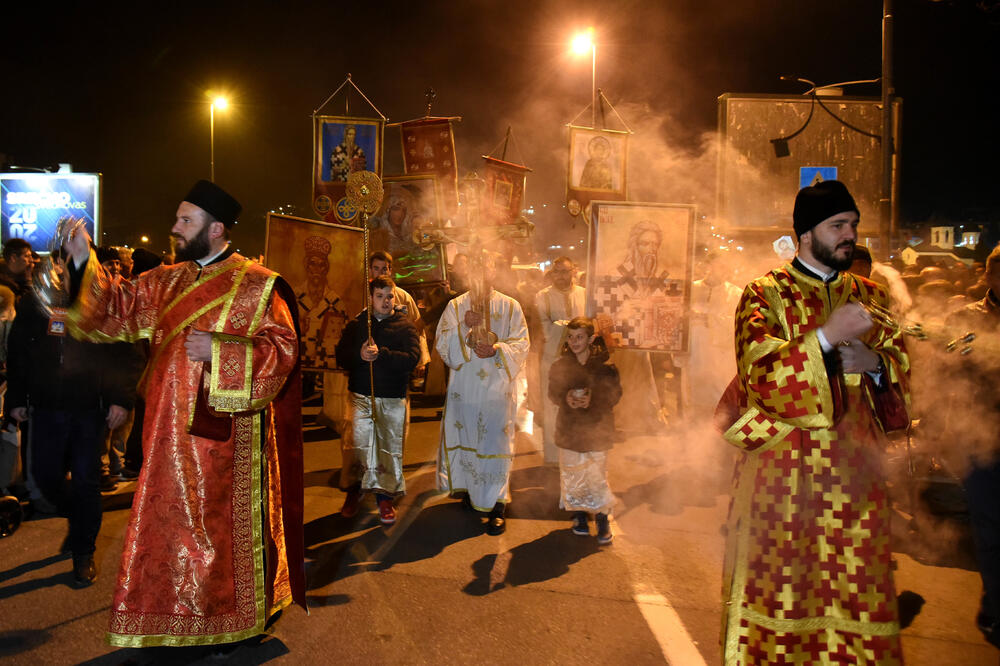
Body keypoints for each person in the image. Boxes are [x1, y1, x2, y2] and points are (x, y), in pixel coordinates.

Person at [62, 180, 305, 647]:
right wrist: (81, 258)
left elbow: (283, 349)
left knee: (218, 530)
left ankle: (231, 623)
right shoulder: (167, 279)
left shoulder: (258, 283)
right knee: (169, 529)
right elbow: (116, 309)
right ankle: (172, 619)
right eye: (177, 219)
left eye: (184, 221)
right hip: (165, 433)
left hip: (226, 438)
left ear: (216, 229)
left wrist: (220, 349)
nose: (174, 228)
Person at [718, 180, 910, 663]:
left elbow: (904, 369)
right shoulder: (764, 294)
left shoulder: (871, 295)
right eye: (838, 226)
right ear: (805, 234)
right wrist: (824, 339)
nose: (850, 235)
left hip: (857, 480)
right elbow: (758, 374)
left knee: (857, 595)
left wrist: (877, 364)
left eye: (853, 226)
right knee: (785, 589)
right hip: (783, 481)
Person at [6, 266, 140, 586]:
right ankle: (79, 518)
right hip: (47, 405)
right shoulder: (34, 302)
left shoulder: (105, 300)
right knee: (44, 476)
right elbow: (19, 354)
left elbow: (128, 352)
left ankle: (83, 551)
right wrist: (16, 397)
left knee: (86, 480)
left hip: (89, 408)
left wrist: (121, 399)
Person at [436, 251, 530, 535]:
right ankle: (471, 492)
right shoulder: (455, 306)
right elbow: (442, 344)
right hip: (464, 389)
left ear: (492, 271)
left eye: (485, 267)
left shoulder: (511, 306)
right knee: (468, 440)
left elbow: (522, 344)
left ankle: (498, 506)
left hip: (496, 391)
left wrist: (497, 349)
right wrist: (464, 326)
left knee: (495, 444)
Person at [943, 244, 1000, 649]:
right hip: (980, 434)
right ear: (990, 276)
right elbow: (947, 367)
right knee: (991, 526)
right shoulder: (966, 317)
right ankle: (996, 601)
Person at [335, 276, 420, 524]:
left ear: (395, 297)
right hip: (360, 394)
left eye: (389, 296)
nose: (385, 301)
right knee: (357, 447)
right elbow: (341, 355)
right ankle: (354, 492)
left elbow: (411, 358)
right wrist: (359, 355)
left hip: (392, 397)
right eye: (380, 296)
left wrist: (382, 355)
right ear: (371, 298)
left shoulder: (405, 326)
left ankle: (385, 498)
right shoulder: (358, 325)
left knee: (387, 451)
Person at [547, 317, 621, 544]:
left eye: (579, 337)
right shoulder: (560, 366)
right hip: (570, 428)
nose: (574, 341)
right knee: (573, 473)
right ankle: (578, 514)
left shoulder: (605, 367)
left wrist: (593, 400)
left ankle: (601, 518)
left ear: (591, 339)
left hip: (598, 428)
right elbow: (552, 393)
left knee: (596, 475)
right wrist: (566, 397)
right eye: (570, 337)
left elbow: (615, 395)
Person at [534, 257, 586, 464]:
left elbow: (591, 323)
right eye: (557, 272)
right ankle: (554, 457)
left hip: (581, 361)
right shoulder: (542, 296)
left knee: (581, 402)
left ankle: (579, 452)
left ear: (573, 271)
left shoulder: (585, 294)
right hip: (552, 360)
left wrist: (566, 326)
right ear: (551, 274)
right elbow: (541, 327)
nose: (561, 276)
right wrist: (573, 328)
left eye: (565, 271)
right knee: (553, 407)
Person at [370, 251, 431, 377]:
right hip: (370, 359)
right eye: (376, 268)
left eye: (384, 269)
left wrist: (420, 361)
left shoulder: (403, 297)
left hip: (397, 359)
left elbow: (417, 327)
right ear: (370, 270)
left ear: (390, 270)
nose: (380, 273)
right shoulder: (362, 295)